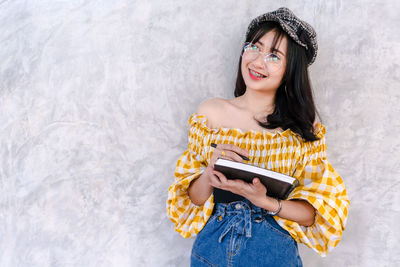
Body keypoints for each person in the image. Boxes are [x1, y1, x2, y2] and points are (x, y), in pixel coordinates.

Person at [166, 7, 349, 267]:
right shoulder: (211, 113)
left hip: (274, 251)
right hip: (212, 249)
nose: (258, 61)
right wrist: (209, 174)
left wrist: (266, 201)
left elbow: (314, 215)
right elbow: (191, 201)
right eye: (254, 47)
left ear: (290, 69)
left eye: (274, 55)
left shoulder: (302, 126)